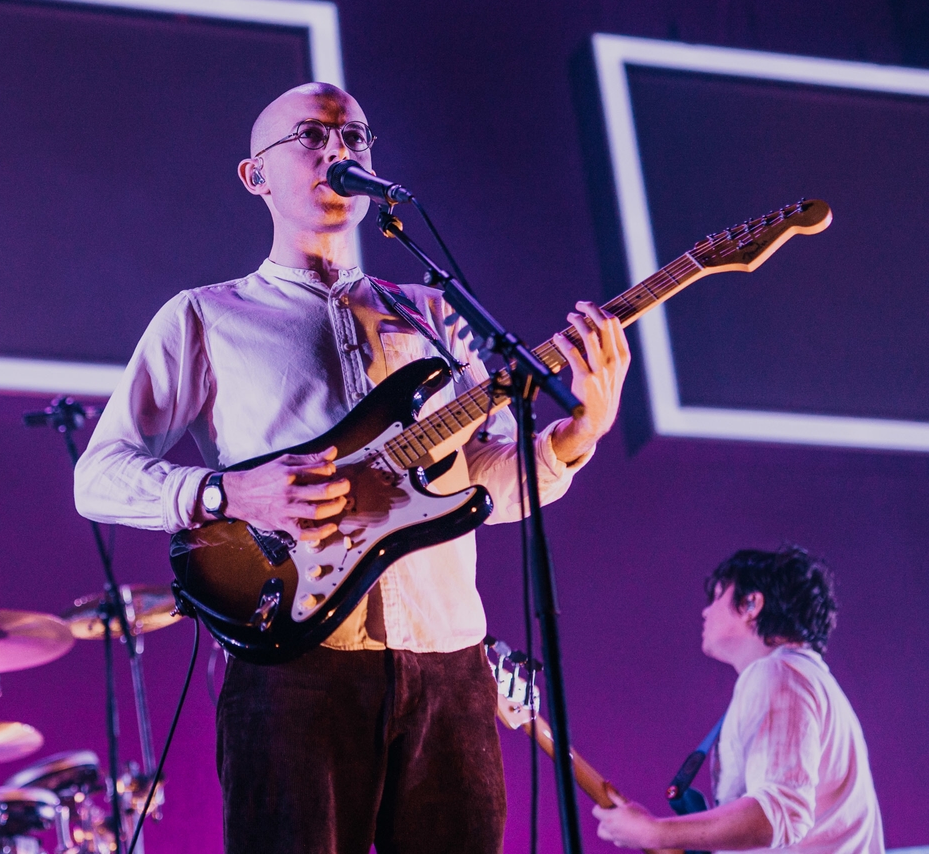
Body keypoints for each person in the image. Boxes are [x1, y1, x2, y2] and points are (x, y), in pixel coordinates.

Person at [74, 82, 631, 853]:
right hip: (294, 663)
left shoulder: (431, 312)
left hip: (449, 663)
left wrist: (576, 440)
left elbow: (483, 484)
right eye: (312, 137)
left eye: (356, 139)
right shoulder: (206, 315)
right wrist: (227, 491)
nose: (339, 152)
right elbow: (97, 475)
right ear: (255, 176)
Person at [593, 546, 883, 854]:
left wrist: (655, 833)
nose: (706, 611)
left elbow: (780, 814)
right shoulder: (804, 678)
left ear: (751, 604)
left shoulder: (779, 673)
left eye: (718, 596)